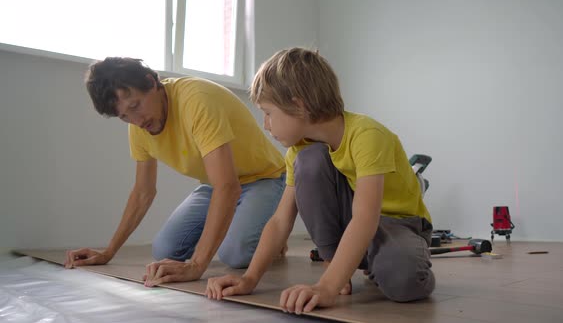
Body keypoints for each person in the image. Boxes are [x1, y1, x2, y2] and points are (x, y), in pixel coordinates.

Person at [206, 47, 435, 314]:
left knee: (403, 282)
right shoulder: (298, 152)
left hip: (399, 223)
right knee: (310, 160)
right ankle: (336, 262)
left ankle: (380, 261)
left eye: (268, 113)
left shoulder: (368, 135)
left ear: (299, 105)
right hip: (356, 220)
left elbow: (365, 219)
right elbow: (280, 221)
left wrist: (326, 288)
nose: (266, 125)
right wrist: (249, 278)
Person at [64, 57, 286, 287]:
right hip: (215, 185)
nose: (136, 121)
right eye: (124, 117)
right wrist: (108, 252)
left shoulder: (197, 100)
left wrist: (197, 265)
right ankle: (245, 224)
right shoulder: (139, 127)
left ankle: (271, 236)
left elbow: (228, 187)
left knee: (235, 254)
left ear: (151, 83)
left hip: (265, 177)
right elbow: (143, 192)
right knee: (164, 250)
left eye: (135, 106)